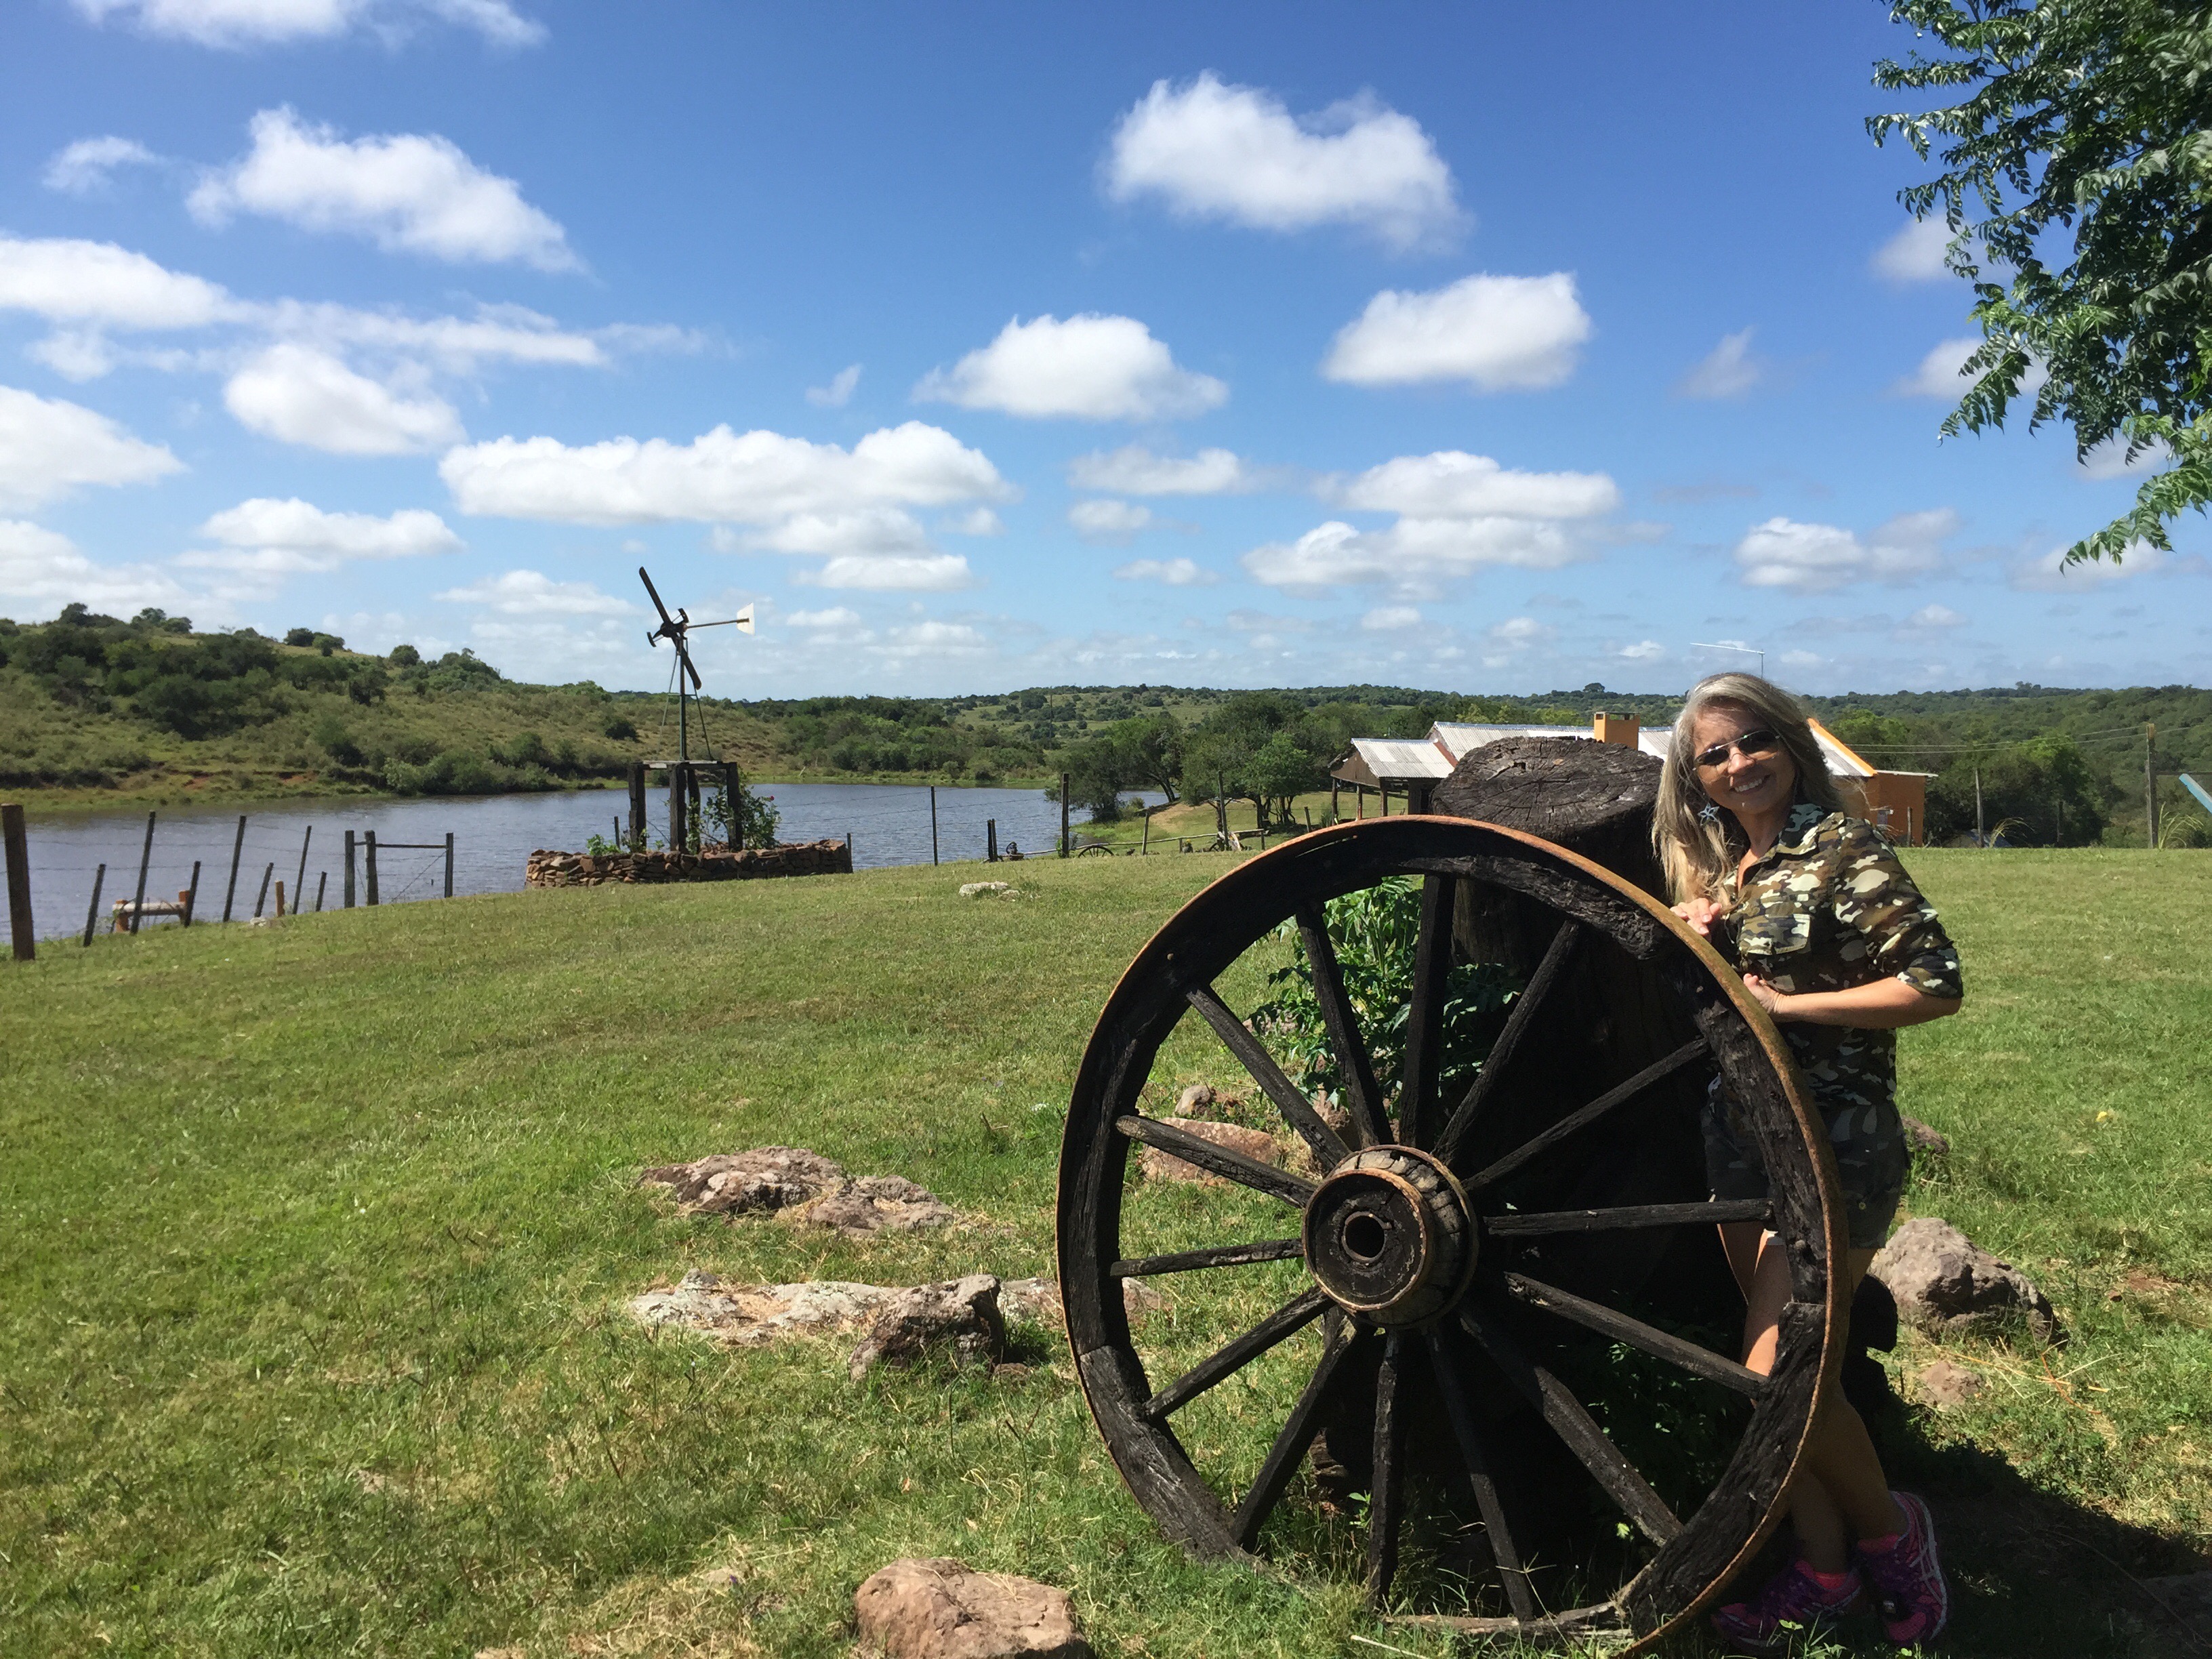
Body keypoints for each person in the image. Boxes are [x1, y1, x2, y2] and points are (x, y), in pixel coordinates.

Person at [1652, 672, 1962, 1650]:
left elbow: (1934, 983)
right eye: (1717, 754)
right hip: (1741, 1139)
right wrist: (1701, 931)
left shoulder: (1841, 850)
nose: (1740, 763)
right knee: (1802, 1379)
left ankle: (1891, 1533)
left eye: (1754, 742)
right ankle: (1824, 1573)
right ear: (1696, 777)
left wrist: (1789, 1010)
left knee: (1780, 1369)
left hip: (1835, 1140)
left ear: (1789, 746)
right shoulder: (1728, 870)